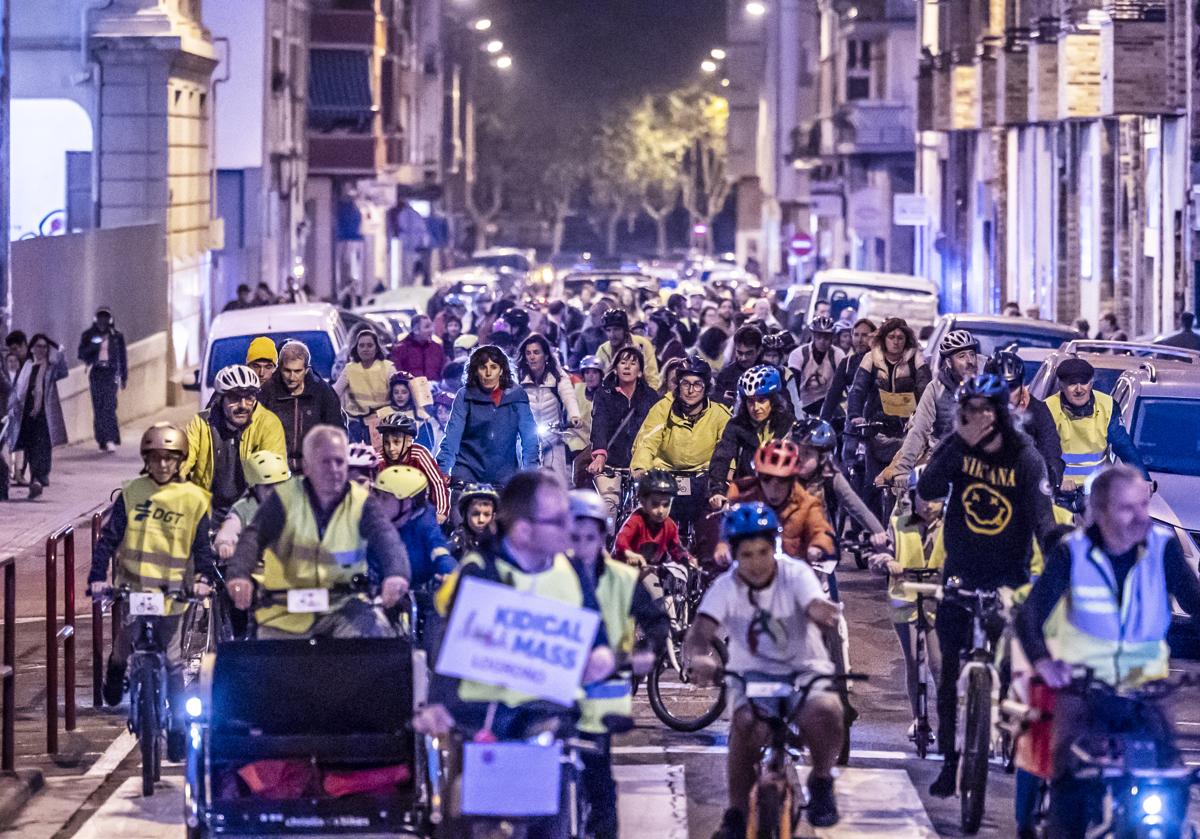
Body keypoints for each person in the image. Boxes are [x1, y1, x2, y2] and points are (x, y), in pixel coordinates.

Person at [1015, 465, 1200, 838]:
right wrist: (1044, 663)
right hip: (1084, 692)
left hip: (1146, 690)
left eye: (1143, 507)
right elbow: (1030, 615)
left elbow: (1196, 604)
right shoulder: (1073, 554)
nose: (1139, 519)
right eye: (1126, 509)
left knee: (1172, 778)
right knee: (1071, 786)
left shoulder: (1162, 549)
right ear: (1101, 512)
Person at [917, 373, 1056, 797]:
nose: (973, 417)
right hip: (961, 568)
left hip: (1008, 575)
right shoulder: (959, 446)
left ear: (998, 414)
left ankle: (1011, 729)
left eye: (982, 409)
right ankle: (949, 760)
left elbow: (1043, 518)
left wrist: (1059, 564)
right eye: (968, 410)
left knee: (1015, 662)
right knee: (947, 673)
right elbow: (929, 487)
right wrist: (955, 444)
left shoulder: (1026, 457)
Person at [416, 470, 615, 739]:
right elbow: (451, 643)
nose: (569, 528)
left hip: (556, 718)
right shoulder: (480, 570)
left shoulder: (572, 569)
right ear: (523, 530)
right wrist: (439, 705)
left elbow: (596, 633)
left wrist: (601, 656)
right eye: (557, 521)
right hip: (486, 722)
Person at [686, 503, 846, 835]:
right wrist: (700, 659)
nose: (756, 563)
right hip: (751, 676)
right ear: (734, 554)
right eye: (747, 555)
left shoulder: (796, 573)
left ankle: (821, 782)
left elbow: (814, 602)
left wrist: (822, 613)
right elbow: (700, 633)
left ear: (773, 547)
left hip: (804, 670)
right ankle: (736, 814)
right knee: (745, 727)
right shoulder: (726, 586)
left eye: (763, 552)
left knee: (828, 710)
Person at [88, 423, 217, 761]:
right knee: (125, 642)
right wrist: (97, 576)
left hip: (174, 595)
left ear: (180, 461)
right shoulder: (132, 493)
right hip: (134, 587)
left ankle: (175, 728)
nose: (162, 465)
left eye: (170, 459)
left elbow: (202, 548)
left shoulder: (194, 500)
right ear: (146, 459)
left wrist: (203, 576)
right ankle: (115, 676)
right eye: (156, 458)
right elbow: (109, 539)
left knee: (174, 662)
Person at [226, 425, 410, 639]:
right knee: (269, 660)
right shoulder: (284, 498)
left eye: (339, 462)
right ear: (307, 466)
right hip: (285, 607)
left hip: (343, 605)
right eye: (325, 461)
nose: (334, 469)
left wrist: (396, 573)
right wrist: (239, 575)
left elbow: (387, 538)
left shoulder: (362, 502)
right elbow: (254, 537)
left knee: (374, 645)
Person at [569, 489, 669, 839]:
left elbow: (657, 621)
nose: (582, 545)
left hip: (603, 693)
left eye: (590, 537)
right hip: (556, 692)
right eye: (574, 537)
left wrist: (647, 653)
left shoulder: (622, 578)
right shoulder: (546, 575)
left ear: (603, 537)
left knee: (599, 779)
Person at [630, 357, 731, 561]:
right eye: (685, 383)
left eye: (697, 384)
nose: (691, 390)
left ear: (706, 387)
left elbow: (727, 450)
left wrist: (726, 477)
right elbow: (647, 441)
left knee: (711, 530)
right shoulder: (662, 409)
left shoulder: (720, 414)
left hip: (704, 479)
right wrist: (641, 468)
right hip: (666, 478)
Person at [868, 470, 944, 737]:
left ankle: (946, 720)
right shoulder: (898, 521)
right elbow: (881, 553)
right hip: (905, 597)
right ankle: (919, 720)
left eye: (936, 499)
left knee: (939, 664)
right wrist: (885, 560)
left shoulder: (954, 523)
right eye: (924, 498)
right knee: (913, 661)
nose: (929, 505)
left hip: (938, 600)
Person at [181, 364, 287, 523]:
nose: (243, 405)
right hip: (207, 511)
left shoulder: (268, 424)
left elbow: (272, 477)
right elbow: (182, 461)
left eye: (249, 398)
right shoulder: (202, 423)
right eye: (235, 398)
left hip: (250, 511)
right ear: (220, 398)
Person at [877, 329, 981, 488]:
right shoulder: (935, 388)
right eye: (962, 356)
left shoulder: (987, 386)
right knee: (907, 505)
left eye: (972, 354)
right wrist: (903, 469)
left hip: (979, 463)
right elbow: (919, 430)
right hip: (941, 460)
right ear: (948, 362)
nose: (970, 361)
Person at [846, 317, 931, 510]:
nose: (896, 341)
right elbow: (857, 390)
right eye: (891, 337)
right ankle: (870, 531)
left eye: (900, 337)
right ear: (883, 338)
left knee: (909, 484)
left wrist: (925, 418)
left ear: (906, 339)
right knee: (870, 484)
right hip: (876, 428)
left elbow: (926, 388)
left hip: (907, 430)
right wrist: (854, 415)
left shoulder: (916, 358)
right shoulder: (871, 358)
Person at [435, 344, 539, 490]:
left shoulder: (517, 395)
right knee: (458, 507)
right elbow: (452, 436)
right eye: (483, 367)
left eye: (494, 367)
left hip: (504, 474)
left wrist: (531, 474)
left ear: (502, 370)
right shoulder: (464, 395)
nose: (488, 373)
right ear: (475, 371)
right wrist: (442, 470)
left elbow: (529, 439)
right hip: (467, 470)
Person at [723, 440, 835, 565]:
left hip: (793, 576)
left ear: (792, 480)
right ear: (758, 478)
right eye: (767, 479)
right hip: (751, 572)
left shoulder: (808, 504)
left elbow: (820, 530)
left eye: (782, 480)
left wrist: (817, 547)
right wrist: (721, 545)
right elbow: (721, 527)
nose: (773, 487)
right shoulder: (745, 497)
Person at [1044, 357, 1148, 488]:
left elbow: (1123, 446)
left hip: (1097, 489)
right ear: (1061, 386)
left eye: (1084, 382)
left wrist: (1143, 479)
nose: (1079, 389)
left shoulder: (1107, 405)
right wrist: (1057, 479)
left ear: (1091, 383)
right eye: (1072, 383)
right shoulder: (1048, 408)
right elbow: (1040, 452)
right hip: (1060, 490)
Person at [587, 346, 660, 519]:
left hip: (642, 464)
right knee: (609, 507)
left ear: (640, 372)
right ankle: (606, 545)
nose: (627, 366)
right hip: (611, 463)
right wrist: (600, 455)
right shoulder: (604, 394)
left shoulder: (650, 396)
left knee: (648, 512)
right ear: (616, 368)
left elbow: (657, 429)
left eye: (633, 363)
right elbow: (600, 424)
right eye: (623, 362)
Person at [707, 365, 795, 507]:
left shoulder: (789, 424)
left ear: (773, 400)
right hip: (746, 493)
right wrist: (717, 491)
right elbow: (721, 458)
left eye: (761, 400)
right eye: (750, 401)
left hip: (781, 494)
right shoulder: (736, 426)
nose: (756, 408)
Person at [258, 340, 345, 473]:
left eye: (297, 371)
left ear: (306, 370)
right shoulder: (267, 392)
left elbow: (336, 431)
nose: (292, 377)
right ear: (280, 368)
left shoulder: (322, 392)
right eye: (287, 371)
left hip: (313, 470)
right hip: (275, 470)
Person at [987, 349, 1064, 488]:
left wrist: (1048, 480)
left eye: (1011, 388)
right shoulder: (973, 410)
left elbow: (1052, 455)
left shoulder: (1038, 412)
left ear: (1022, 385)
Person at [373, 466, 455, 589]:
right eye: (378, 495)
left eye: (385, 498)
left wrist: (451, 574)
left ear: (406, 503)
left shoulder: (425, 524)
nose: (378, 502)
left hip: (415, 590)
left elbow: (440, 552)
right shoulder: (374, 521)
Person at [8, 333, 69, 499]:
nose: (41, 350)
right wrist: (12, 406)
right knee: (30, 449)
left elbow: (63, 372)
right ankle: (35, 480)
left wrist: (61, 353)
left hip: (44, 416)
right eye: (38, 346)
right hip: (28, 416)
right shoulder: (28, 366)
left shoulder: (50, 367)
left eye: (44, 347)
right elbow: (18, 389)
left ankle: (39, 479)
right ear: (32, 348)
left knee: (43, 449)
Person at [516, 333, 582, 483]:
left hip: (553, 437)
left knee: (558, 481)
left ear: (546, 356)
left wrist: (574, 416)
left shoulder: (558, 376)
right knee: (523, 482)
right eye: (528, 353)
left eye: (536, 352)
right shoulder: (518, 378)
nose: (532, 357)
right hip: (526, 439)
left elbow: (568, 396)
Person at [213, 450, 292, 562]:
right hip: (255, 570)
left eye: (280, 484)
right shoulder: (244, 508)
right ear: (254, 487)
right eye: (268, 486)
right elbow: (229, 529)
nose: (275, 491)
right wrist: (225, 544)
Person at [377, 412, 450, 523]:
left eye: (396, 442)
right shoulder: (379, 459)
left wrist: (441, 512)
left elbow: (438, 483)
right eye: (386, 442)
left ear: (409, 441)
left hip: (421, 511)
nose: (391, 448)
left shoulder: (419, 454)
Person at [614, 469, 691, 566]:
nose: (660, 511)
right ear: (643, 502)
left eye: (666, 505)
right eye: (655, 504)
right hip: (625, 571)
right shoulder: (636, 521)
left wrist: (689, 560)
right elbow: (621, 540)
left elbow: (676, 549)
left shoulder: (669, 525)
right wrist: (629, 554)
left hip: (650, 569)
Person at [334, 328, 396, 445]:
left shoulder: (388, 368)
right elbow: (334, 393)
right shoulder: (349, 369)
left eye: (369, 345)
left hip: (384, 423)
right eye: (361, 345)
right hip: (356, 425)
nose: (365, 349)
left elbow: (398, 394)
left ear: (377, 348)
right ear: (356, 348)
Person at [78, 307, 128, 452]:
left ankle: (111, 438)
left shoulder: (116, 336)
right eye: (100, 317)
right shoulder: (89, 335)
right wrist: (96, 345)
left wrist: (124, 376)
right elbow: (82, 353)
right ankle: (101, 439)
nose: (103, 321)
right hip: (97, 372)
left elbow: (122, 357)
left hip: (111, 372)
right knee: (98, 406)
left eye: (105, 318)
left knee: (109, 405)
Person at [820, 318, 875, 425]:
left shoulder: (882, 363)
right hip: (852, 422)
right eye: (856, 335)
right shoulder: (847, 363)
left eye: (864, 335)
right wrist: (823, 422)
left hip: (875, 423)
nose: (859, 340)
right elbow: (833, 395)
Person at [788, 316, 844, 416]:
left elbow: (843, 383)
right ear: (813, 335)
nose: (822, 341)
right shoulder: (798, 354)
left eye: (826, 337)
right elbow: (793, 385)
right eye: (819, 336)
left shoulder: (838, 354)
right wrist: (796, 410)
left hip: (827, 402)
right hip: (803, 402)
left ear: (832, 338)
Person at [595, 309, 660, 390]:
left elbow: (652, 378)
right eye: (608, 330)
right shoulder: (602, 350)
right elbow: (597, 383)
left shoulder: (642, 344)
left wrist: (650, 399)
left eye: (616, 329)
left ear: (625, 330)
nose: (612, 334)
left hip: (641, 396)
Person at [566, 355, 604, 486]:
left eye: (594, 372)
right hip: (574, 441)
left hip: (594, 443)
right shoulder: (576, 390)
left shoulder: (606, 395)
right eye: (587, 372)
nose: (590, 376)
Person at [378, 370, 435, 451]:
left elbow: (426, 446)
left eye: (404, 392)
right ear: (392, 394)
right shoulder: (381, 413)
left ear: (411, 394)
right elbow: (376, 444)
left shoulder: (421, 414)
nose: (400, 396)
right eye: (396, 392)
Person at [712, 325, 763, 407]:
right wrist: (722, 399)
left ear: (759, 350)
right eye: (740, 353)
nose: (743, 358)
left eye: (749, 353)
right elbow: (714, 401)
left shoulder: (772, 373)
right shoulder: (725, 374)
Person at [447, 483, 498, 560]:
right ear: (465, 514)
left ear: (493, 516)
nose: (481, 520)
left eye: (487, 514)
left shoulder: (500, 541)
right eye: (475, 514)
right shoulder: (457, 542)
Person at [389, 314, 445, 382]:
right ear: (416, 330)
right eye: (427, 327)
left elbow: (443, 372)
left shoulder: (437, 348)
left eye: (431, 326)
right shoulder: (400, 349)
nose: (431, 330)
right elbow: (397, 376)